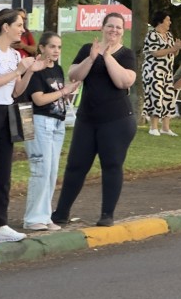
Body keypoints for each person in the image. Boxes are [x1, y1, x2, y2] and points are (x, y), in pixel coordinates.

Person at [53, 12, 137, 227]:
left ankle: (107, 214)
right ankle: (61, 212)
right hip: (87, 119)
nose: (114, 30)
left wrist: (107, 57)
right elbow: (74, 75)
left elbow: (124, 82)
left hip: (117, 120)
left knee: (111, 165)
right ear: (102, 27)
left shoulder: (126, 54)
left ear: (123, 31)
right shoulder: (87, 49)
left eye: (118, 27)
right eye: (110, 26)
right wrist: (92, 58)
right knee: (76, 165)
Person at [0, 9, 45, 243]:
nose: (23, 29)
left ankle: (1, 226)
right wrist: (18, 70)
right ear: (5, 27)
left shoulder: (14, 55)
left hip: (6, 113)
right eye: (19, 25)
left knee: (3, 173)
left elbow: (16, 91)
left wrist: (28, 72)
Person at [23, 32, 80, 232]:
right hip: (38, 121)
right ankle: (33, 218)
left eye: (59, 47)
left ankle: (45, 215)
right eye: (52, 46)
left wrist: (69, 92)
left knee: (51, 171)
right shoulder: (35, 70)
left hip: (57, 123)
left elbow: (56, 96)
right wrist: (63, 91)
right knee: (41, 169)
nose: (56, 50)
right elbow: (39, 99)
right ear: (41, 48)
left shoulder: (57, 68)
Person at [143, 11, 181, 137]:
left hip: (167, 72)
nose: (170, 22)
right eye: (168, 20)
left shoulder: (169, 35)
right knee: (156, 97)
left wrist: (177, 47)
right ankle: (153, 127)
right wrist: (173, 48)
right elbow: (155, 53)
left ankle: (165, 128)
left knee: (168, 98)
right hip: (153, 71)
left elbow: (173, 53)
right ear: (160, 21)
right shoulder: (152, 34)